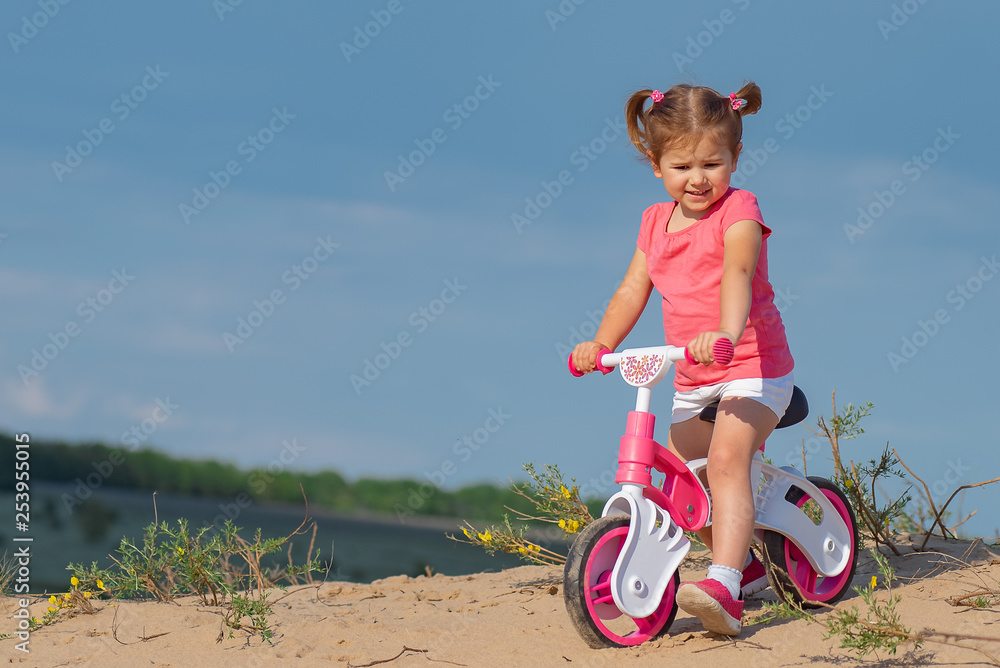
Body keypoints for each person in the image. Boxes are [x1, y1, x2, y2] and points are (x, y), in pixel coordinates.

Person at [570, 81, 795, 636]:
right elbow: (631, 291)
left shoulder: (739, 210)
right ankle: (742, 561)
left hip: (753, 366)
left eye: (712, 163)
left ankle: (725, 587)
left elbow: (738, 272)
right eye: (681, 166)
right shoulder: (653, 222)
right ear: (655, 165)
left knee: (724, 463)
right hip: (695, 377)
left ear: (735, 158)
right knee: (681, 484)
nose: (698, 179)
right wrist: (601, 344)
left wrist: (724, 330)